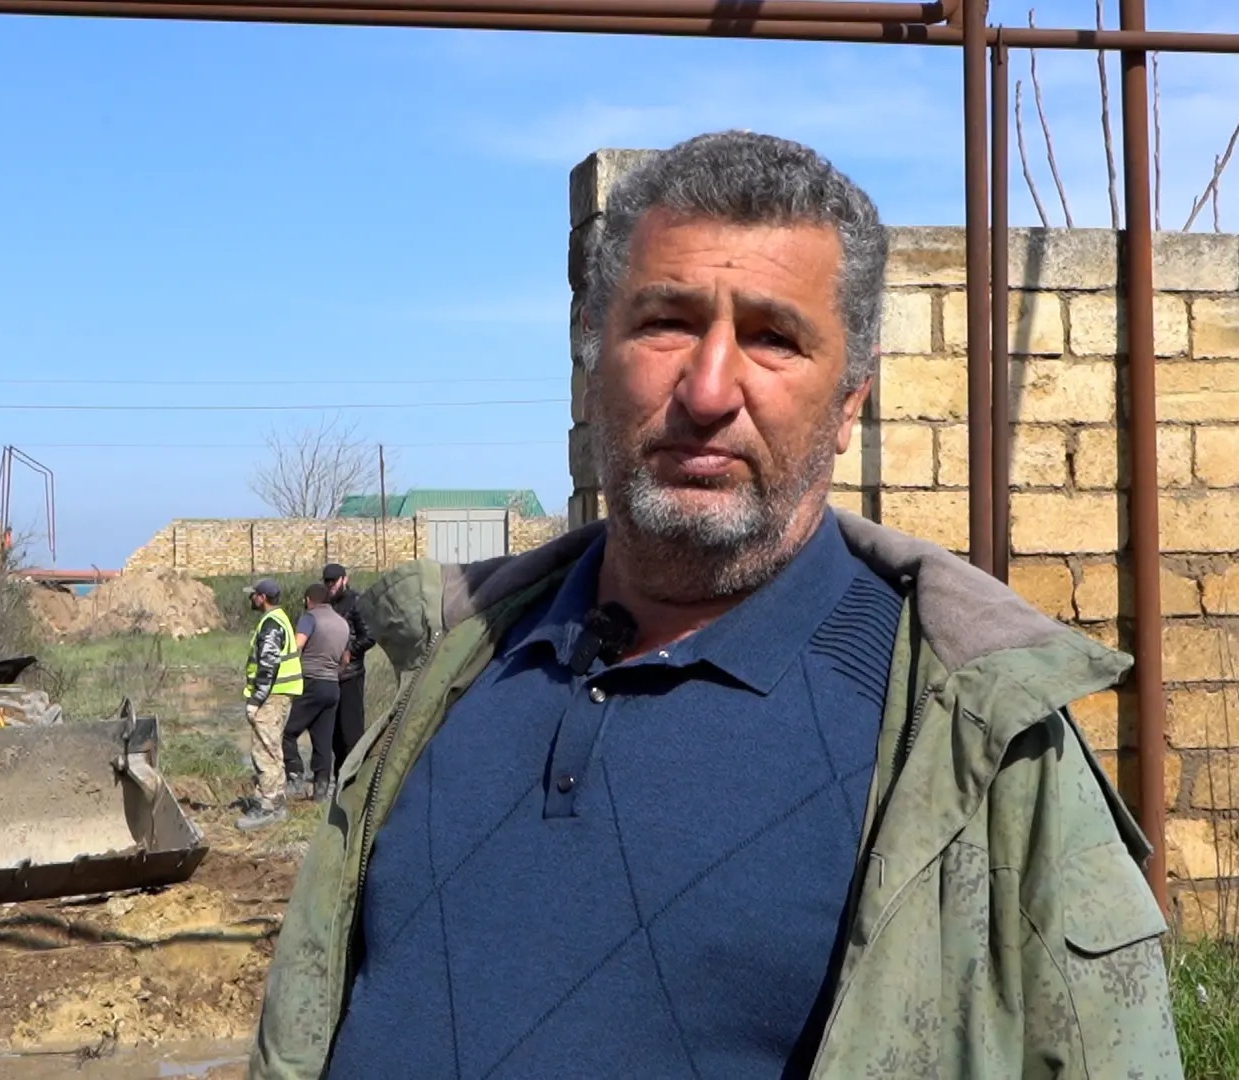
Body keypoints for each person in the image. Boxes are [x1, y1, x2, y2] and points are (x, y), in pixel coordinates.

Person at [249, 130, 1181, 1078]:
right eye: (666, 322)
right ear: (592, 361)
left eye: (773, 338)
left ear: (850, 401)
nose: (706, 390)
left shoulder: (975, 745)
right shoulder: (450, 668)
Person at [237, 577, 302, 831]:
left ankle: (268, 806)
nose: (251, 598)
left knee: (265, 750)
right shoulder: (280, 619)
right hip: (278, 695)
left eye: (253, 594)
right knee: (273, 749)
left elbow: (268, 666)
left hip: (271, 697)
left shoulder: (271, 625)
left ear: (262, 597)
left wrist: (256, 700)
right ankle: (275, 800)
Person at [283, 582, 350, 803]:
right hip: (332, 686)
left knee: (288, 732)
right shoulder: (342, 623)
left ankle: (295, 778)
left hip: (311, 681)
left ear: (308, 600)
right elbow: (346, 659)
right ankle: (321, 791)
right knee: (323, 741)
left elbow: (297, 645)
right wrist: (334, 673)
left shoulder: (310, 618)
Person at [320, 563, 375, 776]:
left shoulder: (356, 602)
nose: (330, 585)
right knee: (333, 734)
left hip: (351, 675)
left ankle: (354, 777)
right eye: (327, 582)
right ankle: (339, 778)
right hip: (329, 676)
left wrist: (350, 651)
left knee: (350, 732)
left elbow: (370, 635)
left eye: (334, 581)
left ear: (345, 579)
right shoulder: (326, 604)